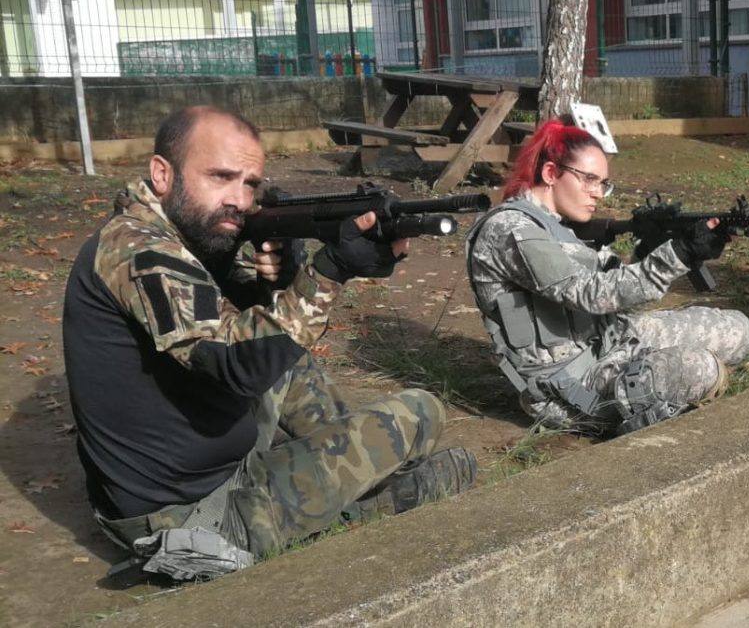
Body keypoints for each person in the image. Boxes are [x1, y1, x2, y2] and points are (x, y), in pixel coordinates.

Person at [62, 106, 475, 580]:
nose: (239, 199)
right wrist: (330, 271)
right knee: (420, 413)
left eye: (250, 183)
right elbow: (237, 361)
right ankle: (368, 501)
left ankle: (357, 488)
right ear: (161, 173)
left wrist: (279, 281)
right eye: (221, 177)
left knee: (297, 369)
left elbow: (248, 324)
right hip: (190, 516)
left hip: (213, 468)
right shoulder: (138, 250)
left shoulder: (181, 233)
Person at [467, 120, 749, 435]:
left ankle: (656, 376)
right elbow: (589, 293)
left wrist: (673, 251)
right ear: (551, 173)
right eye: (589, 180)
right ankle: (635, 405)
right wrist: (678, 254)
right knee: (702, 367)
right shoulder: (510, 229)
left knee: (740, 329)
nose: (598, 194)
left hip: (608, 338)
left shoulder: (558, 227)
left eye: (603, 182)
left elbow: (619, 295)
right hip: (572, 383)